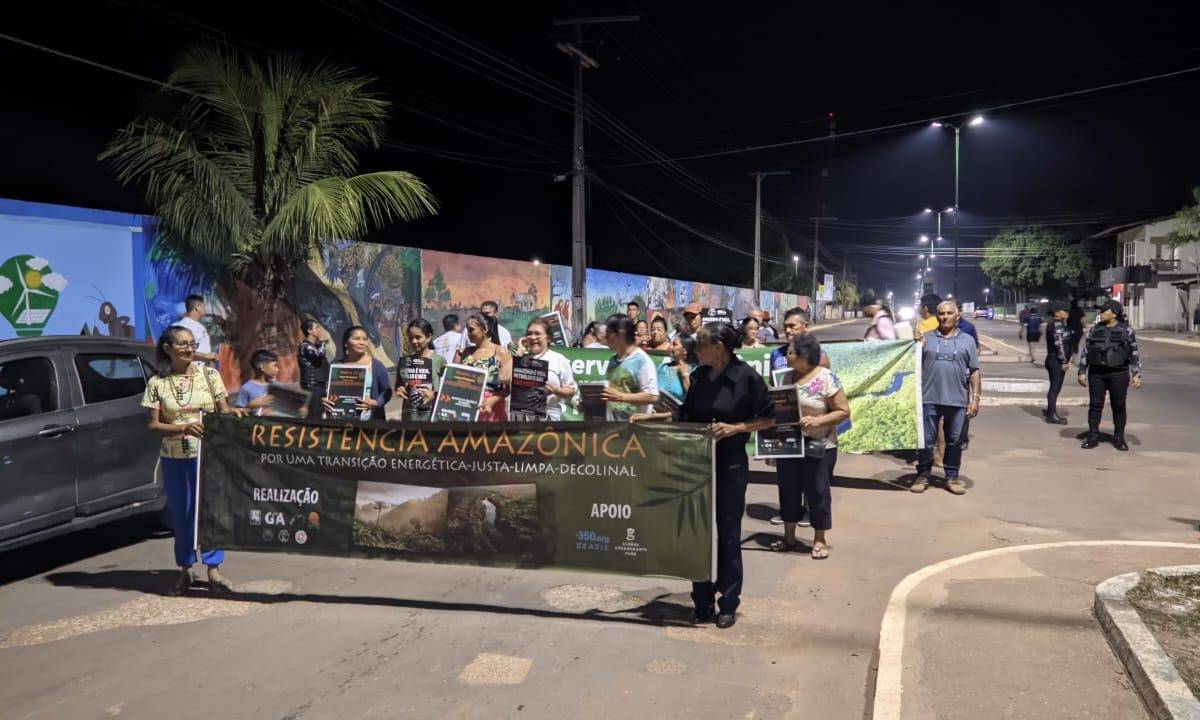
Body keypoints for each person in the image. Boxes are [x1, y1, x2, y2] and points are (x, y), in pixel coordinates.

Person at [680, 323, 774, 629]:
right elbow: (686, 415)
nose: (696, 349)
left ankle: (729, 602)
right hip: (698, 465)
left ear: (719, 346)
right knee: (699, 533)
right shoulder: (698, 377)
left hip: (731, 466)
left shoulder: (746, 377)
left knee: (729, 533)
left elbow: (769, 418)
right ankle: (701, 599)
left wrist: (737, 428)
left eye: (701, 344)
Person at [142, 326, 242, 596]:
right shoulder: (157, 383)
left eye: (192, 343)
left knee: (210, 512)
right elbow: (153, 425)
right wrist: (182, 428)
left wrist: (237, 413)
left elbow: (224, 412)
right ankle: (185, 568)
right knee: (182, 514)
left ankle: (214, 570)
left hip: (209, 457)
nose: (189, 348)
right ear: (167, 348)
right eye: (183, 344)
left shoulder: (210, 376)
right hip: (175, 459)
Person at [770, 334, 850, 559]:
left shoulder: (826, 378)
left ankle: (820, 539)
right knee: (788, 488)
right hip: (789, 443)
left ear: (804, 356)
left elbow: (843, 411)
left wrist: (818, 421)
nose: (786, 355)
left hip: (820, 444)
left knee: (818, 491)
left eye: (790, 352)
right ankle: (789, 536)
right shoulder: (783, 377)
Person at [913, 301, 981, 495]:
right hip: (929, 398)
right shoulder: (925, 338)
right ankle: (923, 475)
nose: (945, 317)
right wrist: (914, 345)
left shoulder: (967, 340)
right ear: (937, 316)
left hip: (957, 399)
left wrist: (975, 398)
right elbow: (911, 363)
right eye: (941, 314)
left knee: (955, 440)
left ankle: (952, 477)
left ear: (957, 315)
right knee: (926, 441)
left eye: (949, 313)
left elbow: (974, 370)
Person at [1078, 300, 1142, 451]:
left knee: (1118, 405)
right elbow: (1086, 351)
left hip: (1118, 373)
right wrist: (1081, 371)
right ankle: (1092, 437)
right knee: (1095, 405)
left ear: (1114, 314)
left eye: (1104, 310)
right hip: (1096, 373)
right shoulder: (1094, 329)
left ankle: (1119, 438)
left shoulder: (1127, 330)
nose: (1101, 313)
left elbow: (1134, 353)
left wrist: (1136, 374)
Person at [323, 326, 392, 421]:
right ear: (345, 343)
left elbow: (387, 392)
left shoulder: (376, 365)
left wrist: (376, 403)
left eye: (365, 339)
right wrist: (323, 400)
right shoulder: (335, 366)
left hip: (369, 422)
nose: (361, 342)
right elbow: (324, 390)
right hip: (339, 420)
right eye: (357, 339)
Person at [600, 314, 659, 421]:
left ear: (621, 334)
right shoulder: (613, 360)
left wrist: (622, 397)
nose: (606, 338)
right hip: (612, 428)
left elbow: (652, 396)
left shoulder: (642, 361)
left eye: (608, 333)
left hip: (634, 428)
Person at [457, 313, 513, 422]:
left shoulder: (499, 352)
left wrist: (493, 400)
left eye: (471, 330)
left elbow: (510, 386)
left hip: (492, 410)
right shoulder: (467, 352)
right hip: (468, 407)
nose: (468, 334)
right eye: (467, 330)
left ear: (485, 329)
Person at [520, 318, 576, 421]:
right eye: (529, 334)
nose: (533, 337)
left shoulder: (558, 359)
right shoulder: (521, 359)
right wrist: (519, 352)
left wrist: (556, 391)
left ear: (548, 338)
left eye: (537, 334)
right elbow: (504, 378)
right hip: (523, 420)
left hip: (549, 420)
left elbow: (571, 390)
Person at [397, 319, 445, 421]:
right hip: (409, 418)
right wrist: (400, 389)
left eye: (418, 337)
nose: (414, 341)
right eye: (411, 338)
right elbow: (399, 384)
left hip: (430, 418)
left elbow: (447, 390)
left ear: (428, 337)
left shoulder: (439, 361)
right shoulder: (406, 361)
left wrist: (434, 395)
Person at [1043, 307, 1072, 425]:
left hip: (1053, 359)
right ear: (1057, 313)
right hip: (1056, 360)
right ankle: (1051, 415)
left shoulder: (1054, 324)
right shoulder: (1057, 325)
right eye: (1064, 311)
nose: (1067, 313)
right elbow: (1059, 343)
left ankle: (1051, 411)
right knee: (1055, 388)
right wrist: (1064, 361)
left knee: (1055, 388)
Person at [172, 294, 218, 364]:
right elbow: (181, 349)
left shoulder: (199, 326)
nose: (205, 308)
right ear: (198, 308)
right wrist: (205, 355)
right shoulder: (183, 326)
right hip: (190, 368)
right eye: (204, 305)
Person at [656, 333, 698, 406]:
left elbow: (693, 398)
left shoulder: (694, 370)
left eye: (674, 344)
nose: (670, 346)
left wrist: (684, 375)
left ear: (685, 350)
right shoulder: (663, 367)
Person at [236, 349, 278, 416]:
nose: (277, 369)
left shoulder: (276, 386)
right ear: (262, 367)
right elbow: (239, 413)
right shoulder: (246, 388)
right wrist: (252, 406)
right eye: (274, 365)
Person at [297, 319, 332, 391]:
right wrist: (322, 341)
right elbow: (319, 355)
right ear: (309, 331)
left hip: (320, 386)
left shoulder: (316, 347)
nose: (320, 330)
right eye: (317, 328)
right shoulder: (305, 346)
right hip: (311, 387)